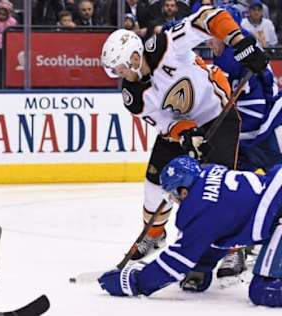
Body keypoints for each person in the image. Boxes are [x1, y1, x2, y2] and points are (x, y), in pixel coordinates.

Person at [100, 5, 268, 265]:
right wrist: (186, 133)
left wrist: (239, 41)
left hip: (217, 112)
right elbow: (164, 123)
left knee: (219, 187)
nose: (119, 75)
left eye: (119, 69)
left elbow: (208, 17)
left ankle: (234, 248)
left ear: (134, 57)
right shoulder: (133, 96)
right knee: (154, 182)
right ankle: (154, 235)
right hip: (184, 126)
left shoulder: (164, 46)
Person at [98, 155, 282, 307]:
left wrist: (135, 282)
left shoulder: (199, 208)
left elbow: (179, 258)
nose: (176, 201)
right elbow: (218, 234)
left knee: (264, 290)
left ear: (184, 191)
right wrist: (201, 265)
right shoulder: (210, 171)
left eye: (173, 195)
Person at [208, 4, 282, 277]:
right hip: (244, 139)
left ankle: (240, 248)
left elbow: (270, 92)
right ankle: (236, 249)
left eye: (213, 34)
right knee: (236, 194)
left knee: (238, 193)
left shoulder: (235, 57)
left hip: (263, 137)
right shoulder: (226, 57)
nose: (208, 40)